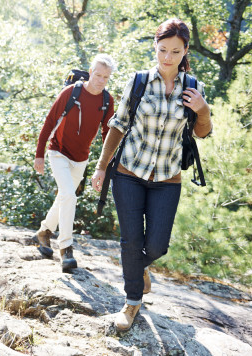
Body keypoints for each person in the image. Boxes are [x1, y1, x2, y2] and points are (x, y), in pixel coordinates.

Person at [91, 18, 213, 331]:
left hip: (167, 180)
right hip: (129, 172)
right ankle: (132, 303)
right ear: (155, 48)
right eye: (162, 50)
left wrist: (204, 111)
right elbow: (118, 125)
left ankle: (139, 266)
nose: (167, 57)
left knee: (157, 245)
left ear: (185, 50)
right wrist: (102, 166)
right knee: (131, 240)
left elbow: (202, 134)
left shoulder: (193, 87)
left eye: (175, 51)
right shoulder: (140, 81)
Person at [34, 54, 116, 273]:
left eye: (105, 77)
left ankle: (43, 232)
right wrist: (39, 154)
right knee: (69, 195)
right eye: (98, 75)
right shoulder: (72, 93)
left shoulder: (107, 101)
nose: (101, 80)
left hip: (81, 158)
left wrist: (105, 166)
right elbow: (50, 120)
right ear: (91, 72)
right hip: (58, 152)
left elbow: (108, 135)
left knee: (64, 196)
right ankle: (66, 248)